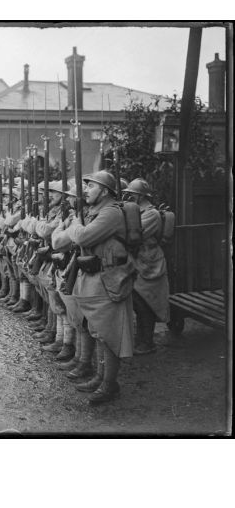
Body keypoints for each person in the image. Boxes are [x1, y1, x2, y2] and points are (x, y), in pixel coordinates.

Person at [61, 171, 135, 404]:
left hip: (110, 279)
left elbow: (83, 237)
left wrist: (74, 223)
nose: (86, 191)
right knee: (97, 331)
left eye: (91, 187)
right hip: (96, 278)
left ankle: (109, 384)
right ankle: (100, 376)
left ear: (104, 190)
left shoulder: (111, 213)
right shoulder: (97, 212)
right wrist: (78, 225)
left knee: (108, 335)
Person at [122, 178, 170, 354]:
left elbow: (134, 235)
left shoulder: (151, 214)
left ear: (142, 196)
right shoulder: (138, 211)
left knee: (147, 303)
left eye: (133, 194)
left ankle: (147, 342)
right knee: (138, 302)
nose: (129, 197)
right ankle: (142, 339)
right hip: (139, 261)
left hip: (150, 262)